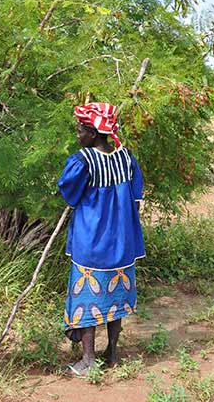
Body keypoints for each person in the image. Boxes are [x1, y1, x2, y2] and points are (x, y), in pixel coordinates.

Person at [58, 102, 145, 376]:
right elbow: (136, 200)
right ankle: (113, 353)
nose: (77, 135)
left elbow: (70, 195)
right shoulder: (127, 158)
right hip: (121, 245)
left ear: (93, 133)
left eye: (80, 130)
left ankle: (88, 359)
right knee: (116, 299)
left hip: (91, 243)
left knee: (88, 299)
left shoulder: (83, 161)